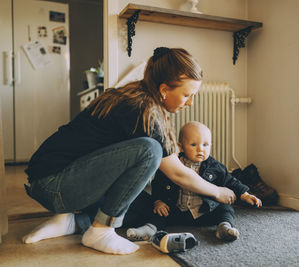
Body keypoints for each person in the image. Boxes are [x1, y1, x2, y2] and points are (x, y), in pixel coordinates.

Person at [21, 47, 236, 255]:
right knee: (150, 150)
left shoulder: (136, 95)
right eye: (187, 95)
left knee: (144, 205)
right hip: (54, 185)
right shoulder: (143, 109)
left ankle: (71, 222)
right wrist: (217, 191)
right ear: (163, 90)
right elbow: (177, 172)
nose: (190, 103)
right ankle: (100, 231)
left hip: (56, 182)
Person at [127, 122, 262, 242]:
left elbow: (231, 181)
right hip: (177, 211)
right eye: (193, 145)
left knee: (225, 208)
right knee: (158, 212)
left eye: (205, 145)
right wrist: (158, 201)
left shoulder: (215, 166)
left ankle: (224, 228)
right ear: (181, 146)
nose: (200, 149)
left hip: (205, 212)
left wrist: (245, 194)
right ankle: (149, 229)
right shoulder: (173, 164)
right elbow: (158, 184)